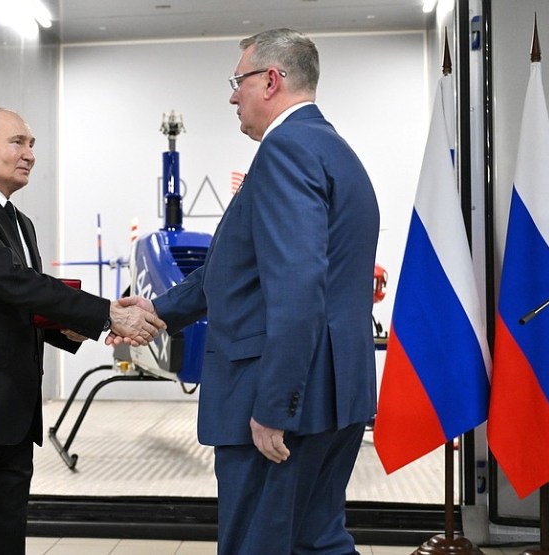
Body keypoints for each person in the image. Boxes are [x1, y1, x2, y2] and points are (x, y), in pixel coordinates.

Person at [113, 29, 380, 554]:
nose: (233, 96)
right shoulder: (333, 150)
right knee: (316, 542)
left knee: (259, 544)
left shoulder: (286, 152)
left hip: (281, 399)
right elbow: (238, 270)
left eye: (239, 82)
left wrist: (275, 405)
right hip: (336, 394)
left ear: (271, 80)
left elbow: (298, 288)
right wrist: (158, 309)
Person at [0, 107, 164, 555]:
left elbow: (18, 304)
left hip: (12, 419)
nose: (29, 154)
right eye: (17, 142)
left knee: (6, 543)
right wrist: (106, 314)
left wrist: (70, 329)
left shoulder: (20, 223)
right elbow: (16, 283)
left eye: (32, 145)